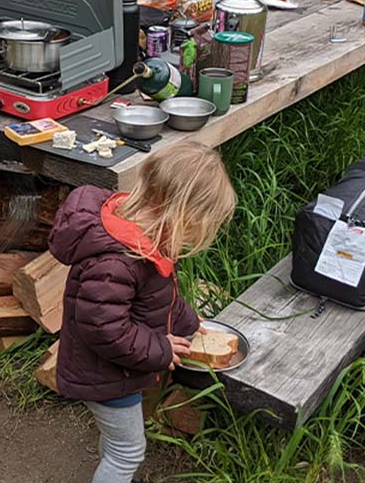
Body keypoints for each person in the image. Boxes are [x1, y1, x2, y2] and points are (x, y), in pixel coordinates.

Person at [48, 143, 237, 483]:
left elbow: (157, 300)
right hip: (106, 376)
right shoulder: (117, 261)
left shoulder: (145, 240)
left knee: (118, 444)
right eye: (195, 228)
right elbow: (105, 328)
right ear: (176, 212)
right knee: (128, 452)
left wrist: (191, 323)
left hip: (116, 369)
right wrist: (161, 350)